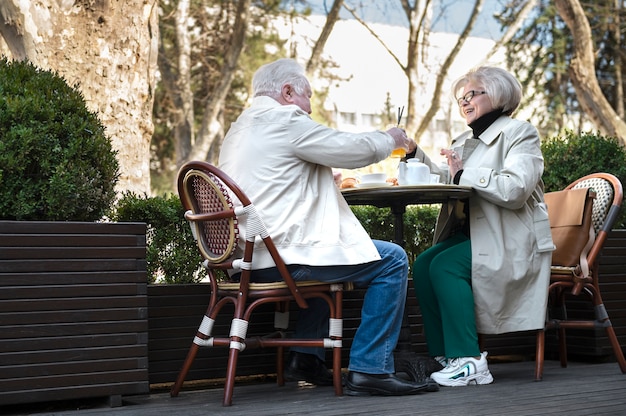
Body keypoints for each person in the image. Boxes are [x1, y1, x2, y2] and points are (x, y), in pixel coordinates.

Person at [218, 58, 435, 396]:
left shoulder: (241, 128)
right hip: (281, 258)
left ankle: (306, 359)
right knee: (391, 259)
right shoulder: (285, 118)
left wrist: (315, 177)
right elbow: (348, 149)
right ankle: (370, 370)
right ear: (288, 92)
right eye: (308, 97)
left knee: (328, 254)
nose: (309, 108)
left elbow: (271, 179)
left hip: (245, 259)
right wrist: (388, 138)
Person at [410, 66, 554, 386]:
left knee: (445, 266)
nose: (464, 101)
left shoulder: (520, 133)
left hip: (512, 240)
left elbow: (516, 189)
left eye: (472, 94)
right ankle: (447, 354)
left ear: (498, 94)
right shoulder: (465, 140)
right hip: (479, 236)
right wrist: (412, 152)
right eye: (461, 97)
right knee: (423, 264)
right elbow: (450, 178)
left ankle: (470, 361)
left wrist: (465, 176)